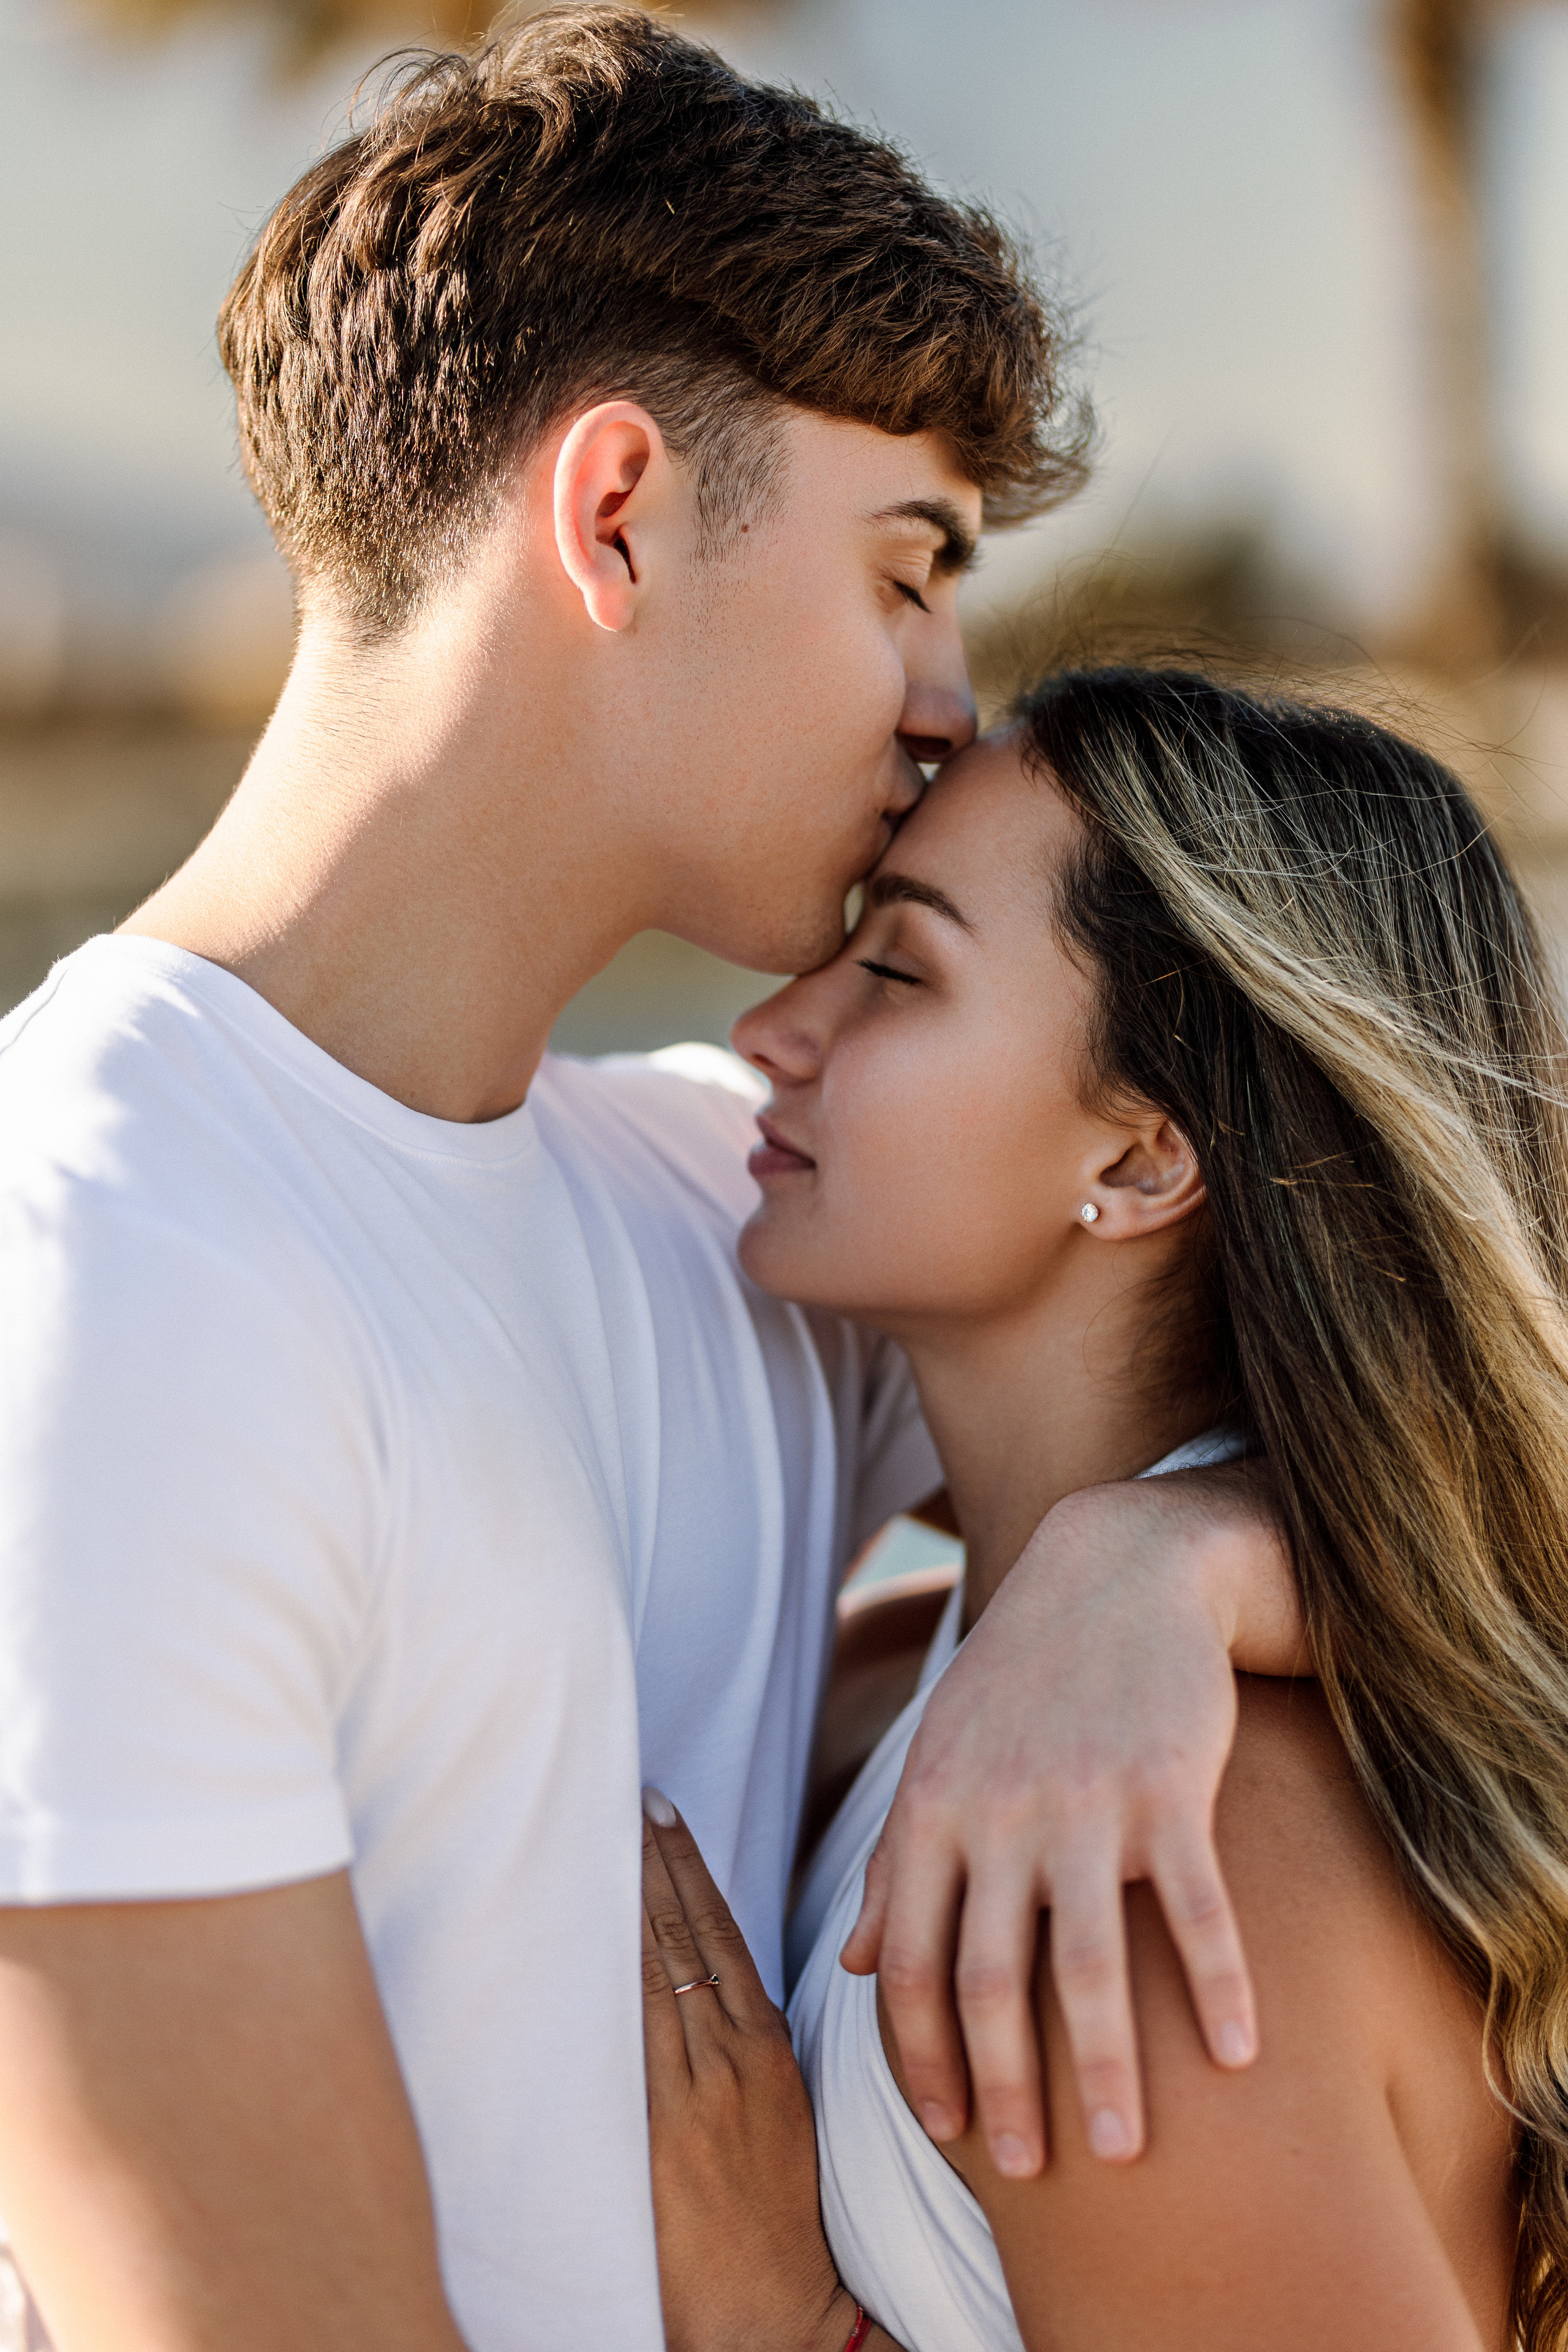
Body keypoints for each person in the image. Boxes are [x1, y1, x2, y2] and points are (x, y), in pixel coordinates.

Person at [0, 13, 1298, 2346]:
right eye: (910, 569)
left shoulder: (747, 1204)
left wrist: (1156, 1569)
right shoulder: (98, 1274)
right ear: (613, 515)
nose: (947, 700)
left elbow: (1439, 1340)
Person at [641, 666, 1568, 2352]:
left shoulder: (1142, 1879)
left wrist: (778, 2325)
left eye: (900, 969)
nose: (774, 1027)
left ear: (1145, 1159)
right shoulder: (962, 1675)